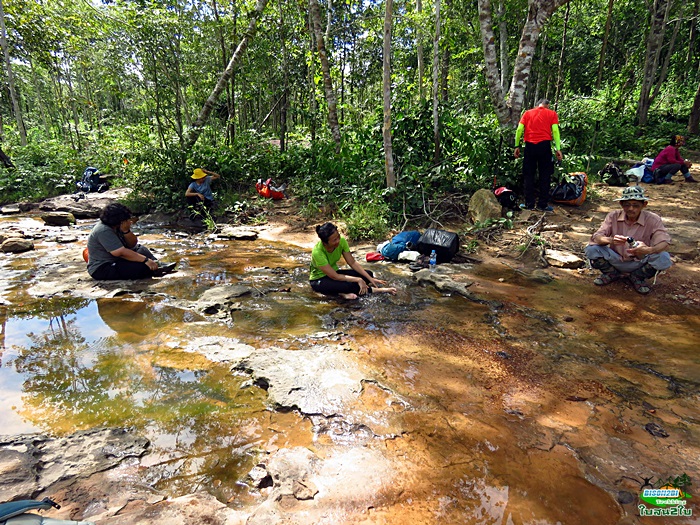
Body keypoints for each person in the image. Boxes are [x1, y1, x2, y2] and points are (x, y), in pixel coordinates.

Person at [584, 186, 672, 295]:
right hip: (616, 259)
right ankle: (611, 273)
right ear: (621, 204)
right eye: (627, 205)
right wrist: (610, 240)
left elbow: (664, 242)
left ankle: (637, 277)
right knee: (591, 249)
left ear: (644, 205)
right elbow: (597, 237)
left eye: (635, 205)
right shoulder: (613, 216)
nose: (631, 209)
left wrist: (648, 250)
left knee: (663, 257)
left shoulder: (653, 219)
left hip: (639, 261)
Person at [86, 203, 175, 280]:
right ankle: (153, 268)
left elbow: (132, 244)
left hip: (117, 260)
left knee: (141, 249)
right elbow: (120, 252)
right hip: (103, 267)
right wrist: (145, 260)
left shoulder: (117, 226)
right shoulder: (103, 230)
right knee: (141, 268)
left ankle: (157, 264)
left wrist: (126, 231)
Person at [309, 222, 396, 300]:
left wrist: (370, 279)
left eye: (338, 237)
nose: (338, 241)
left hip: (335, 273)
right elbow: (334, 276)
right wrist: (358, 280)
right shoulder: (318, 252)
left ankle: (341, 292)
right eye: (334, 240)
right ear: (325, 243)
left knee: (368, 274)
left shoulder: (342, 241)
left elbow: (352, 262)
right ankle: (376, 290)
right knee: (351, 285)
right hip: (319, 279)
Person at [514, 99, 563, 212]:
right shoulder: (551, 114)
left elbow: (519, 130)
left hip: (530, 146)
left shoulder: (527, 113)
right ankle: (542, 205)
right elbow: (555, 131)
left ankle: (529, 204)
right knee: (545, 175)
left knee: (528, 174)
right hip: (544, 146)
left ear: (537, 105)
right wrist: (558, 149)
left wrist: (517, 146)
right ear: (547, 105)